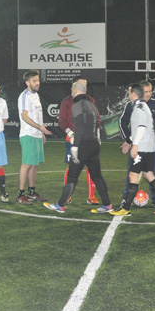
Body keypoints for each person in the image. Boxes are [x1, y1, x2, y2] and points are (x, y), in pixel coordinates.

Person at [44, 80, 112, 214]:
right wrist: (97, 139)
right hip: (93, 145)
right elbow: (97, 124)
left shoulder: (77, 106)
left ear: (75, 91)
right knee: (97, 176)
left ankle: (61, 205)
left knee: (72, 177)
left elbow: (79, 128)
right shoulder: (92, 105)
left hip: (82, 146)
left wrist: (75, 147)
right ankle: (108, 205)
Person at [112, 84, 155, 215]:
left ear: (134, 94)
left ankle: (126, 208)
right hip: (150, 147)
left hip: (142, 147)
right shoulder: (144, 106)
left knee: (133, 175)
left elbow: (141, 127)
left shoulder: (138, 107)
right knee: (148, 174)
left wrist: (135, 145)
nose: (129, 96)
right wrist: (130, 140)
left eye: (130, 94)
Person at [119, 80, 155, 207]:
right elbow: (123, 122)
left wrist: (146, 138)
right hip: (138, 146)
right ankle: (126, 198)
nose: (148, 94)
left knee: (152, 173)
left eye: (150, 91)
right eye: (145, 91)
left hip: (150, 146)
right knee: (133, 173)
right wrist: (129, 140)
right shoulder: (131, 106)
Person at [58, 78, 98, 205]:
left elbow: (97, 119)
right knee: (71, 167)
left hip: (88, 139)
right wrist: (71, 133)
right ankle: (67, 196)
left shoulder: (91, 100)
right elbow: (62, 121)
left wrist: (97, 135)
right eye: (81, 84)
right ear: (74, 87)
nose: (84, 86)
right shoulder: (66, 102)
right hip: (72, 139)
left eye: (85, 84)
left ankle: (91, 196)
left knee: (90, 167)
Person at [17, 70, 52, 204]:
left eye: (38, 80)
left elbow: (36, 116)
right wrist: (39, 127)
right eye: (34, 81)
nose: (37, 83)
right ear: (27, 82)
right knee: (26, 164)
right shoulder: (25, 96)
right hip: (28, 134)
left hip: (36, 134)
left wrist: (41, 133)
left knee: (34, 165)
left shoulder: (35, 95)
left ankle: (31, 193)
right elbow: (24, 116)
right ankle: (20, 195)